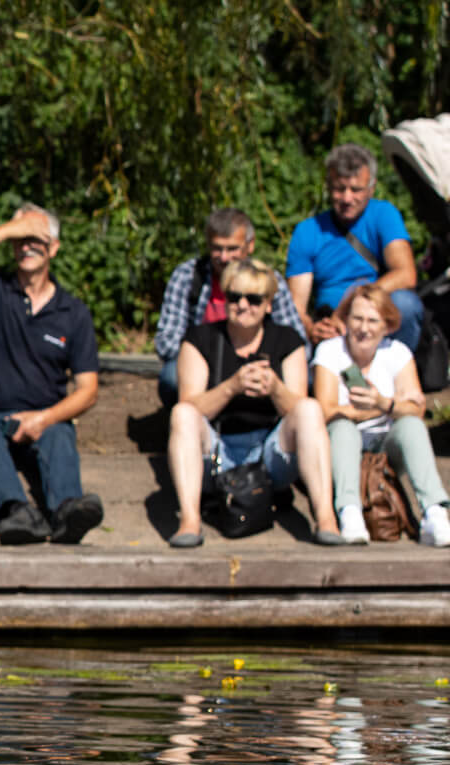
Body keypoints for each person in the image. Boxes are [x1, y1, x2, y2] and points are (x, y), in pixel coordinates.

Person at [0, 204, 105, 545]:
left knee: (60, 432)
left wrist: (44, 419)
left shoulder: (73, 312)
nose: (26, 246)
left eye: (35, 238)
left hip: (45, 416)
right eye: (20, 239)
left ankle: (68, 513)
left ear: (54, 248)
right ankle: (15, 514)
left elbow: (88, 391)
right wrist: (8, 229)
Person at [165, 258, 338, 547]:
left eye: (253, 299)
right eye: (234, 297)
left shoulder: (287, 340)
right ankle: (190, 522)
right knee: (182, 413)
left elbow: (298, 409)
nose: (243, 305)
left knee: (310, 409)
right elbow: (190, 407)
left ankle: (326, 519)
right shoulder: (200, 339)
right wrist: (231, 387)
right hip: (218, 449)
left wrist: (275, 389)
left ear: (268, 304)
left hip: (270, 454)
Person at [310, 284, 450, 546]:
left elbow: (416, 410)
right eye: (357, 318)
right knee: (343, 428)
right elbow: (325, 410)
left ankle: (435, 512)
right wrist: (380, 409)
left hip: (385, 445)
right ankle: (349, 511)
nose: (364, 328)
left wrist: (381, 402)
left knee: (411, 426)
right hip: (341, 445)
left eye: (373, 320)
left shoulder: (397, 353)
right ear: (345, 320)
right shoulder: (330, 351)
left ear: (387, 326)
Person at [153, 207, 306, 407]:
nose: (224, 257)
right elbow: (166, 341)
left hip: (260, 365)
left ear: (250, 245)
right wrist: (204, 359)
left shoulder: (268, 280)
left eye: (232, 249)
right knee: (172, 376)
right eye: (217, 248)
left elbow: (296, 341)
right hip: (203, 364)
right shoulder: (188, 276)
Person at [287, 144, 424, 352]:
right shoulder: (307, 231)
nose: (347, 198)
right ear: (328, 187)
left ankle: (397, 366)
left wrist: (353, 301)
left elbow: (406, 274)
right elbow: (296, 305)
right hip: (330, 325)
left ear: (371, 188)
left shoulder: (384, 214)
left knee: (406, 304)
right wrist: (311, 329)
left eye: (356, 190)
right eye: (339, 189)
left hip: (375, 316)